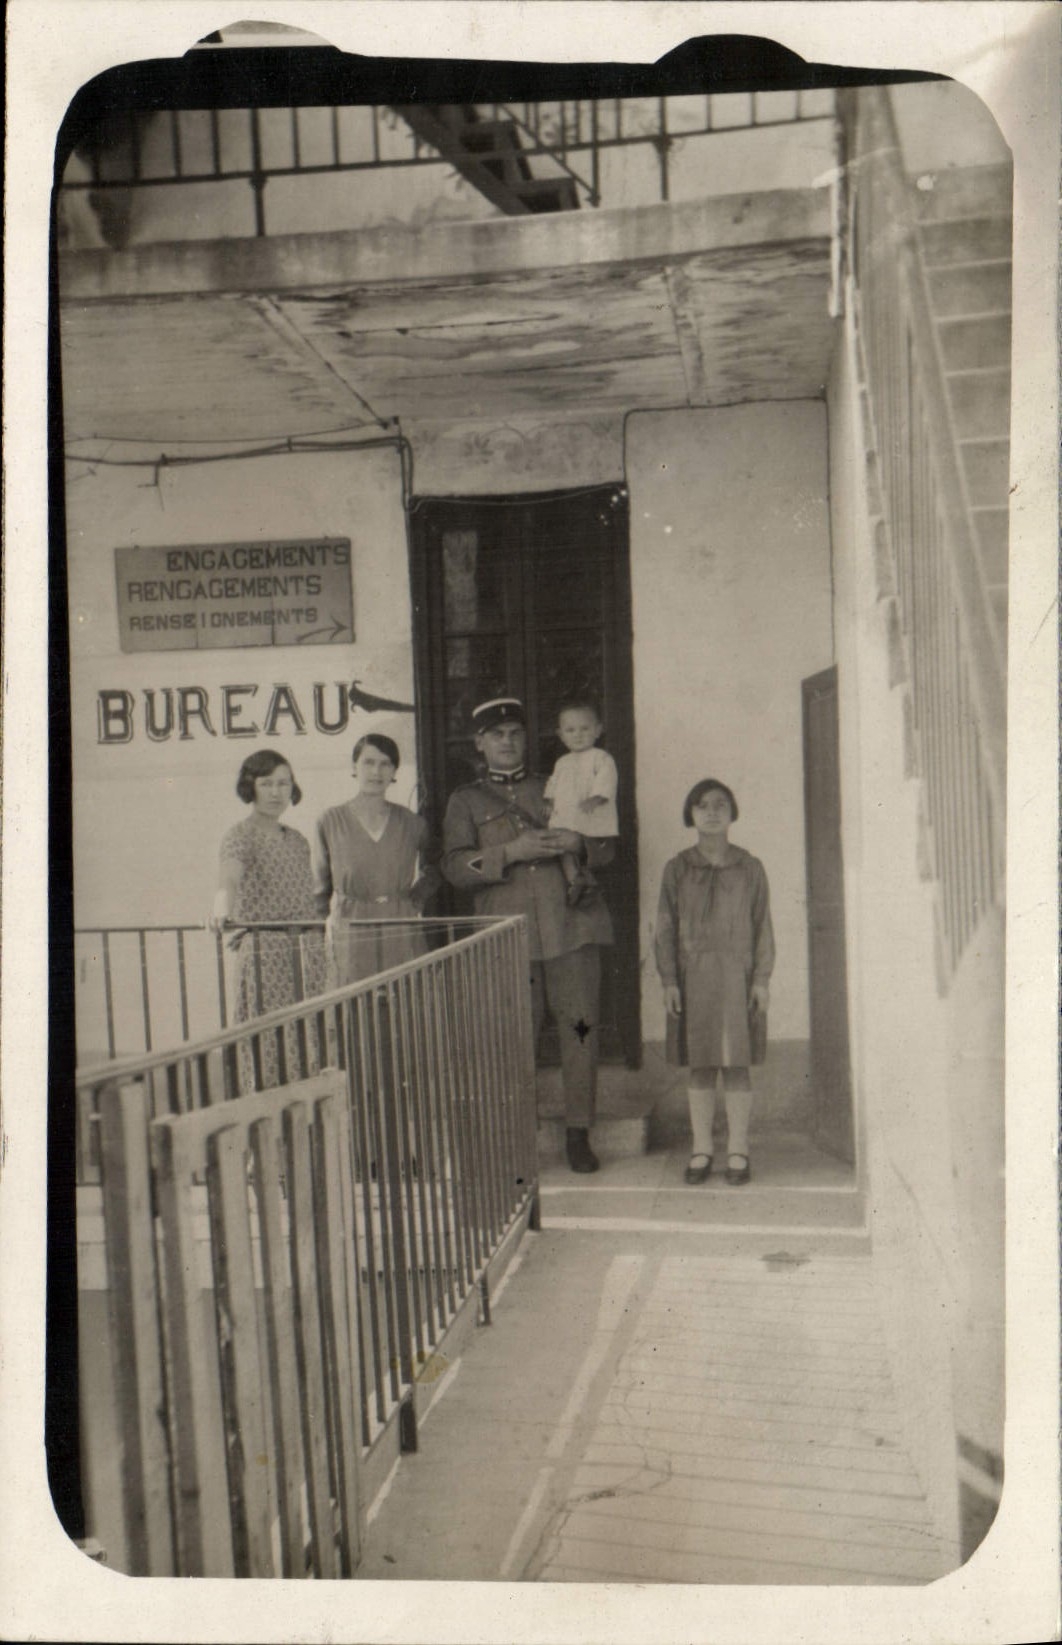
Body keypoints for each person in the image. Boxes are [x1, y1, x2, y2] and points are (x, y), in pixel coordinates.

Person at [442, 696, 614, 1174]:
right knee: (512, 1038)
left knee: (579, 1032)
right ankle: (517, 1137)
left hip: (570, 931)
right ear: (480, 743)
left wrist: (580, 842)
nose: (507, 741)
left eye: (516, 733)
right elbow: (454, 867)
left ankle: (578, 1133)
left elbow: (607, 846)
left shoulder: (558, 783)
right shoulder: (466, 800)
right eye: (497, 735)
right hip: (507, 935)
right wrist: (509, 851)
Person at [654, 778, 775, 1187]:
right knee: (702, 1066)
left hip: (738, 977)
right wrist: (670, 981)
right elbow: (665, 930)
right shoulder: (677, 868)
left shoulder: (750, 867)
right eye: (702, 805)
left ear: (732, 812)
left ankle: (738, 1148)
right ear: (690, 813)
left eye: (720, 804)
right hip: (693, 978)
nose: (711, 811)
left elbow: (763, 928)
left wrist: (761, 980)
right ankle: (702, 1148)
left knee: (737, 1065)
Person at [210, 748, 326, 1091]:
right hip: (265, 956)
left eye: (284, 783)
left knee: (308, 1040)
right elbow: (229, 877)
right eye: (267, 783)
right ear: (251, 787)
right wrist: (221, 908)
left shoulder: (298, 840)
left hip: (307, 955)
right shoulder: (239, 836)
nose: (277, 792)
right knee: (266, 1042)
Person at [313, 733, 440, 985]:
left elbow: (435, 866)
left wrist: (415, 899)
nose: (376, 771)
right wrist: (321, 937)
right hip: (351, 927)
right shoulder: (330, 821)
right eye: (368, 762)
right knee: (354, 1002)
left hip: (399, 924)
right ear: (354, 767)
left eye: (385, 764)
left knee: (402, 1000)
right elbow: (319, 889)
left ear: (394, 770)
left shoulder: (412, 823)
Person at [543, 700, 619, 907]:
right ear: (561, 735)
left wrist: (597, 797)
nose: (578, 735)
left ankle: (587, 881)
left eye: (585, 729)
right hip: (567, 814)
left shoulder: (601, 758)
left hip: (589, 813)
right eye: (570, 730)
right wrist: (549, 800)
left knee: (585, 846)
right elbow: (553, 783)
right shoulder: (562, 762)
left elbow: (607, 780)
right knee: (564, 849)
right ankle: (575, 880)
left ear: (598, 730)